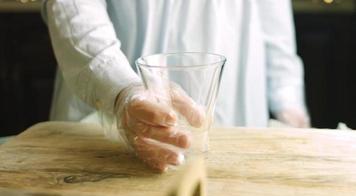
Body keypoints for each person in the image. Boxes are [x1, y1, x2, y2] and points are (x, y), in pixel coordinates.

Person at [42, 0, 310, 171]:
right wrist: (122, 89)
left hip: (236, 97)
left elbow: (273, 22)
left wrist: (289, 104)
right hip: (106, 102)